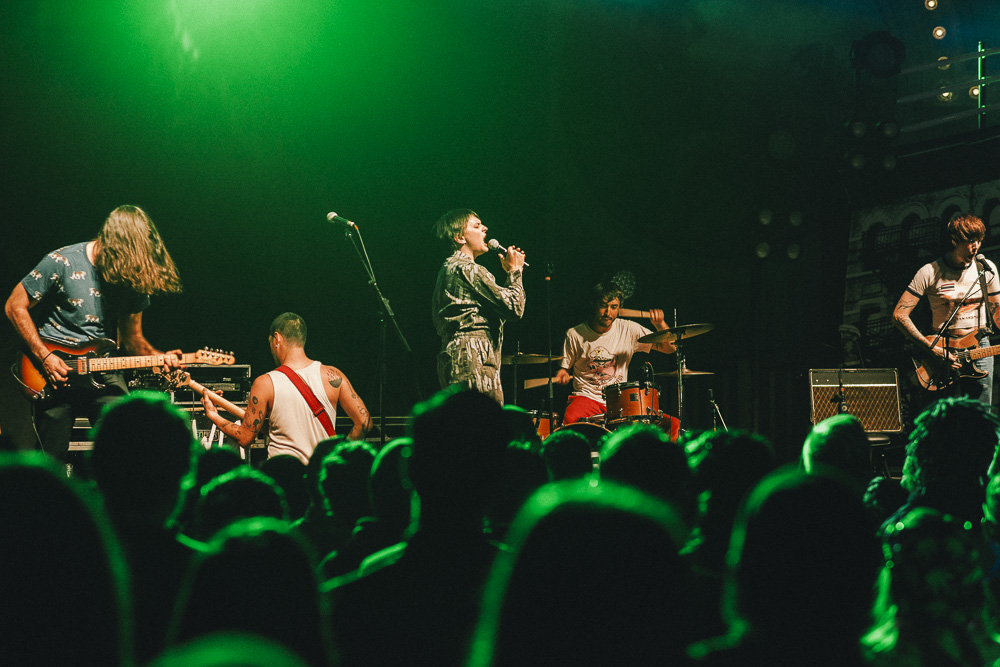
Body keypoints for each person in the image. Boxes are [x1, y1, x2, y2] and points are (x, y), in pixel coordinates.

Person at [4, 205, 184, 460]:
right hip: (53, 371)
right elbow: (14, 305)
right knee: (50, 455)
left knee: (124, 444)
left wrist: (161, 358)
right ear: (112, 243)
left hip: (104, 370)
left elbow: (133, 340)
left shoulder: (131, 275)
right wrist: (44, 357)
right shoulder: (62, 261)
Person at [200, 312, 372, 463]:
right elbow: (364, 423)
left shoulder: (265, 383)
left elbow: (245, 437)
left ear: (277, 339)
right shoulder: (332, 375)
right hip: (319, 477)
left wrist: (214, 415)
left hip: (285, 478)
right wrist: (338, 456)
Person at [893, 213, 1000, 405]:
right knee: (949, 415)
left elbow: (997, 312)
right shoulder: (929, 272)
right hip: (944, 350)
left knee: (982, 413)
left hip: (980, 346)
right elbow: (899, 315)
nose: (975, 246)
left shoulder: (986, 269)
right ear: (954, 241)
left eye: (979, 241)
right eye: (969, 241)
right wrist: (932, 350)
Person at [431, 209, 526, 404]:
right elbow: (514, 307)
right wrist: (515, 272)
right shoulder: (467, 268)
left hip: (459, 356)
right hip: (472, 357)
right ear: (459, 237)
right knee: (482, 427)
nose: (485, 228)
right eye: (476, 226)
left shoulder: (449, 267)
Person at [554, 276, 675, 425]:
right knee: (570, 420)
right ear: (594, 304)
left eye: (613, 307)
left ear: (620, 308)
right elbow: (564, 368)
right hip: (587, 397)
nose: (607, 312)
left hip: (618, 400)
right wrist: (562, 372)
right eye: (603, 305)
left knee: (671, 424)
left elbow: (669, 348)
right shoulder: (574, 334)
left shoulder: (629, 329)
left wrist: (660, 324)